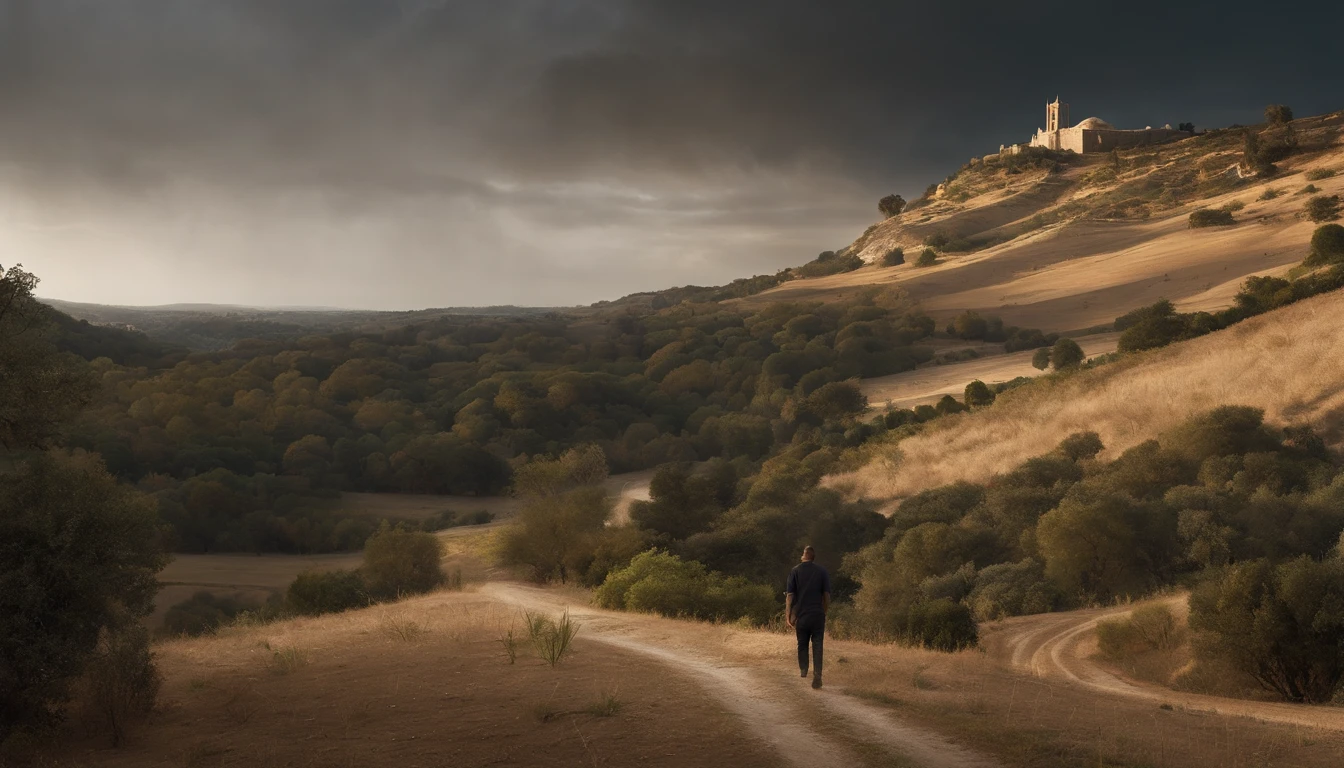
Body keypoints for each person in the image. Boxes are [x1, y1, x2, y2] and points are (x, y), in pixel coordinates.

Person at [785, 545, 830, 689]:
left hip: (802, 615)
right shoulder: (822, 571)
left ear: (805, 555)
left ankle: (804, 669)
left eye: (803, 553)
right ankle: (817, 674)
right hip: (817, 614)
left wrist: (788, 615)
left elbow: (790, 596)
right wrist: (824, 611)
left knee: (802, 643)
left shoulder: (795, 571)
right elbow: (826, 595)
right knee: (818, 645)